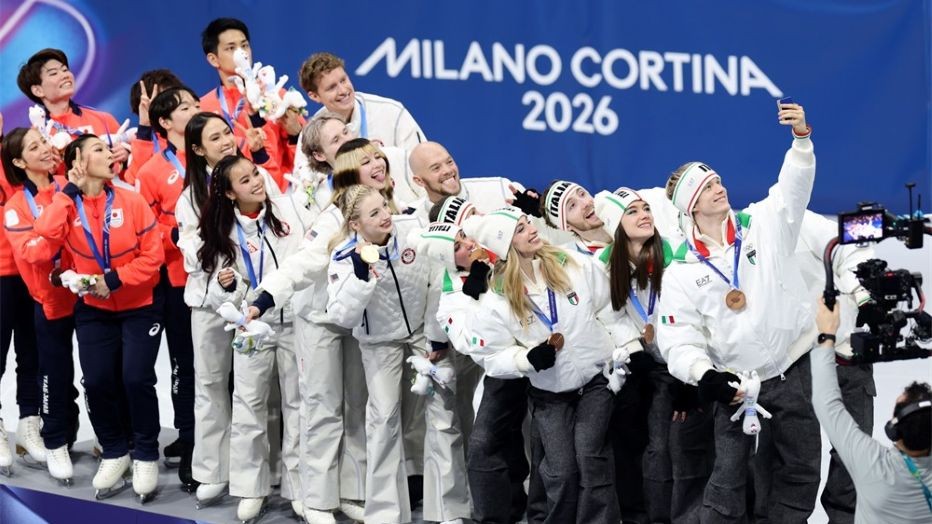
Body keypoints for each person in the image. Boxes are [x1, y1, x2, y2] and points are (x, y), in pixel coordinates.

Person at [656, 102, 819, 522]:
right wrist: (705, 375)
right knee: (728, 480)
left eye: (718, 180)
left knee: (800, 468)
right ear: (691, 205)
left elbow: (793, 188)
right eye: (707, 187)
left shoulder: (762, 224)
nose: (719, 188)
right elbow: (678, 341)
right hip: (736, 386)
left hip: (791, 368)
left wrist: (801, 140)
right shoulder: (681, 270)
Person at [250, 139, 413, 524]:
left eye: (379, 156)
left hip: (359, 324)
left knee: (357, 407)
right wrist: (266, 296)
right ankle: (317, 499)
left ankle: (352, 490)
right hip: (320, 321)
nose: (378, 163)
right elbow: (302, 264)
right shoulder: (333, 217)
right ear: (349, 172)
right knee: (321, 407)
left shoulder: (393, 206)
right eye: (366, 161)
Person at [324, 185, 469, 524]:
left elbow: (438, 279)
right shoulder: (344, 257)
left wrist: (436, 338)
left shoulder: (412, 230)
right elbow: (341, 315)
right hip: (379, 342)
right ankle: (385, 515)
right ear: (355, 224)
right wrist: (361, 274)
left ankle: (450, 510)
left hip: (423, 331)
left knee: (444, 415)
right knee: (384, 420)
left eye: (384, 206)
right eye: (374, 213)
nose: (385, 216)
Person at [465, 209, 621, 523]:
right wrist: (525, 359)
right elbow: (491, 355)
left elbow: (609, 308)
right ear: (506, 246)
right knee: (561, 471)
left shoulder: (570, 263)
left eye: (528, 224)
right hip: (551, 393)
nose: (532, 230)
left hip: (597, 380)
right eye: (520, 230)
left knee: (590, 456)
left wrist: (623, 352)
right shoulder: (497, 299)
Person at [33, 134, 164, 502]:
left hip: (140, 305)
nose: (110, 154)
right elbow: (45, 234)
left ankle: (145, 453)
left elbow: (153, 256)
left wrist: (115, 279)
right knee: (97, 380)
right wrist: (68, 192)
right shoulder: (67, 205)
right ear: (78, 161)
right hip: (94, 310)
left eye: (108, 149)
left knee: (135, 378)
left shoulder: (131, 200)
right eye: (99, 150)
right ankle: (114, 450)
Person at [173, 111, 286, 509]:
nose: (225, 141)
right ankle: (213, 470)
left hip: (259, 301)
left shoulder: (257, 177)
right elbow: (191, 254)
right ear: (197, 149)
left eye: (227, 132)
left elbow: (279, 227)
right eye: (214, 138)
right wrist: (217, 247)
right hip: (211, 304)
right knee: (210, 385)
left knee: (261, 389)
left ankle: (268, 469)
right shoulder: (190, 197)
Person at [594, 188, 713, 523]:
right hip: (645, 367)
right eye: (632, 212)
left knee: (675, 445)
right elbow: (607, 315)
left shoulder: (677, 253)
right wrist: (634, 350)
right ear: (614, 225)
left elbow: (700, 315)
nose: (645, 215)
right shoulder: (602, 265)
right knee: (644, 445)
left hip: (686, 364)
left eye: (646, 208)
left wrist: (690, 375)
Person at [197, 154, 304, 522]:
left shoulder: (288, 212)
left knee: (298, 405)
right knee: (249, 406)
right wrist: (228, 287)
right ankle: (251, 489)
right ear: (229, 193)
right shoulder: (222, 232)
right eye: (245, 180)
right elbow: (216, 295)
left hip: (293, 322)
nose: (257, 182)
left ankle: (299, 488)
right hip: (251, 326)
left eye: (255, 173)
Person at [811, 298, 932, 522]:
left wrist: (826, 336)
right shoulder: (869, 462)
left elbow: (826, 400)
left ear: (893, 428)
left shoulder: (872, 465)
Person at [1, 127, 77, 483]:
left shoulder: (64, 183)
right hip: (13, 275)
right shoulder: (19, 199)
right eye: (35, 146)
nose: (44, 148)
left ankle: (32, 423)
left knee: (33, 355)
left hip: (50, 283)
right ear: (19, 161)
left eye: (42, 142)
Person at [135, 86, 201, 491]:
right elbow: (142, 230)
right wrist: (179, 232)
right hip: (180, 282)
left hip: (231, 279)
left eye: (196, 104)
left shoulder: (219, 157)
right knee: (186, 366)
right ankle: (191, 443)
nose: (195, 110)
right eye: (185, 107)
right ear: (164, 122)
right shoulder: (151, 172)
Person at [293, 51, 426, 179]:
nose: (343, 90)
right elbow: (304, 184)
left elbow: (423, 165)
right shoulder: (312, 135)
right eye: (332, 87)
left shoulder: (392, 112)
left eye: (343, 80)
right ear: (314, 96)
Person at [198, 18, 292, 189]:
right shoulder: (203, 108)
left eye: (245, 45)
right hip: (234, 195)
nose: (242, 53)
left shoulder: (276, 94)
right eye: (231, 48)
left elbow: (302, 147)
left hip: (284, 191)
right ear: (213, 59)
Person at [16, 49, 128, 175]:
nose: (65, 75)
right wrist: (48, 173)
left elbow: (130, 173)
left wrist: (126, 158)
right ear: (38, 90)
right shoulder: (36, 137)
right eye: (54, 73)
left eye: (65, 70)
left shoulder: (103, 119)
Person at [124, 69, 184, 186]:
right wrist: (145, 125)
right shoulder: (145, 144)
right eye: (164, 100)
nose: (173, 104)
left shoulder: (199, 128)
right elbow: (136, 181)